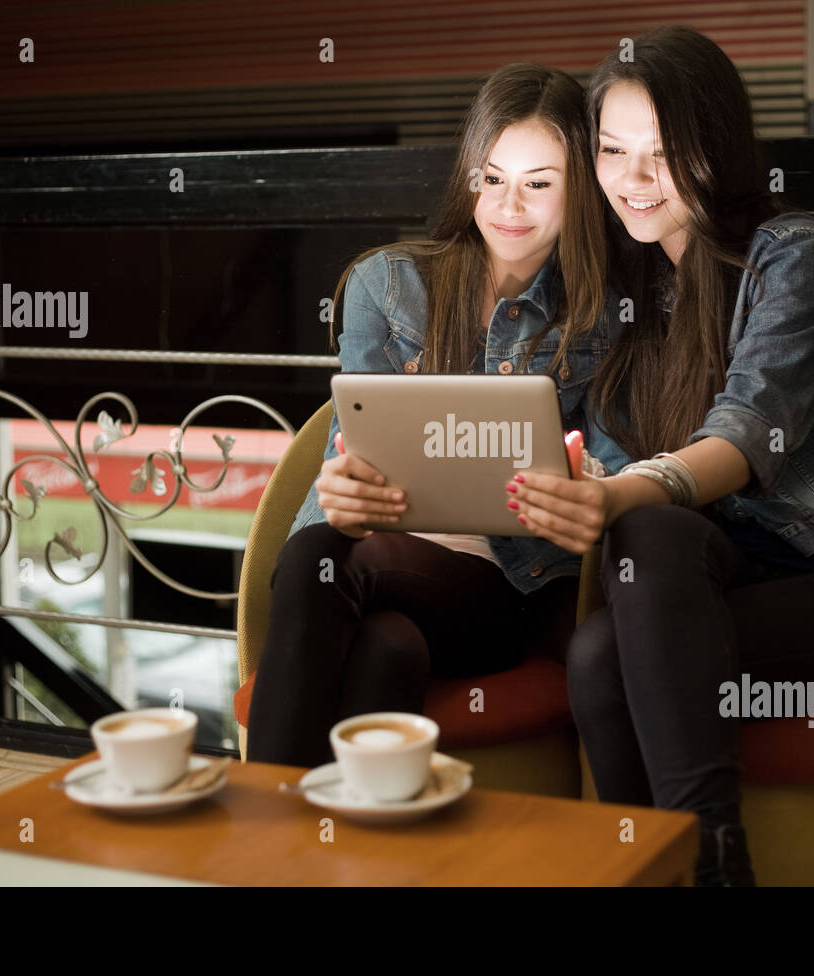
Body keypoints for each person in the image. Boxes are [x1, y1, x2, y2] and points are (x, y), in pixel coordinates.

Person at [502, 27, 814, 885]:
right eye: (613, 151)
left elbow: (745, 436)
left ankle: (706, 868)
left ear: (720, 148)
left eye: (663, 154)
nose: (632, 180)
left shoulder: (797, 259)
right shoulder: (639, 301)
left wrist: (632, 489)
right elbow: (616, 463)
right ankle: (672, 869)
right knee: (609, 625)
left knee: (637, 562)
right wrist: (592, 481)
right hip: (714, 584)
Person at [245, 63, 631, 768]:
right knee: (389, 644)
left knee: (317, 559)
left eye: (539, 184)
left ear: (584, 191)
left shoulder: (607, 314)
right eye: (492, 177)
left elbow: (621, 471)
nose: (510, 205)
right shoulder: (387, 284)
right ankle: (344, 849)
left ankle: (260, 831)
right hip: (366, 562)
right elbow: (349, 442)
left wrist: (583, 476)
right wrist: (344, 484)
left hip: (505, 589)